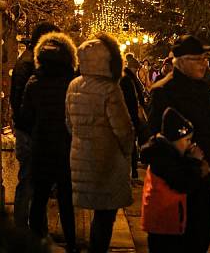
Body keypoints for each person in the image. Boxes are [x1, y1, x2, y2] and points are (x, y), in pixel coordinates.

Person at [147, 34, 210, 253]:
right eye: (196, 59)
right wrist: (191, 168)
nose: (203, 64)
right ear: (179, 60)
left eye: (205, 58)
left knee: (201, 240)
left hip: (204, 186)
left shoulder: (204, 88)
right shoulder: (163, 92)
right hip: (177, 189)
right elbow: (156, 144)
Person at [66, 32, 134, 253]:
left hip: (80, 156)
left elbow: (69, 122)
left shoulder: (74, 85)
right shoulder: (109, 88)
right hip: (107, 160)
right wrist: (127, 151)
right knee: (105, 215)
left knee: (95, 212)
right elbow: (122, 128)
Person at [20, 32, 78, 253]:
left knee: (39, 198)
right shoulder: (72, 82)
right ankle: (71, 244)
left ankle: (36, 244)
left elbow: (25, 118)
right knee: (66, 201)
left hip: (41, 147)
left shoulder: (33, 82)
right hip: (65, 148)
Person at [9, 21, 59, 228]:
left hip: (31, 131)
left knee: (34, 182)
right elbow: (18, 102)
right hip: (29, 133)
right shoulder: (28, 64)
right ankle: (22, 229)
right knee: (29, 181)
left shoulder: (31, 62)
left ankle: (33, 227)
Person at [141, 108, 209, 253]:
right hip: (165, 223)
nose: (190, 144)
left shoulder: (165, 152)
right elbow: (182, 182)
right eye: (187, 140)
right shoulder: (163, 157)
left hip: (164, 222)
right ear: (175, 138)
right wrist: (196, 163)